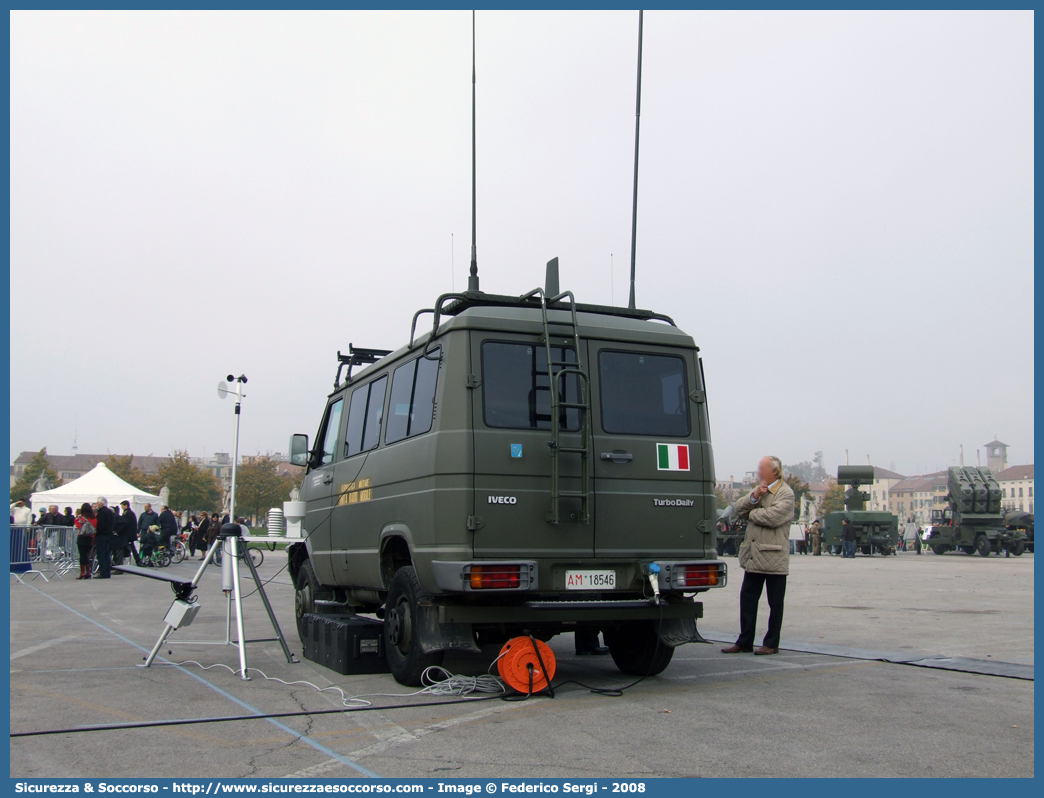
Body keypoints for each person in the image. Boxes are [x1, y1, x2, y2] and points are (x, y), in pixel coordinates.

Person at [721, 456, 796, 656]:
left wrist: (751, 514)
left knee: (775, 603)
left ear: (774, 472)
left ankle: (771, 643)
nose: (758, 472)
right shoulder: (760, 491)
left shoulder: (786, 493)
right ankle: (745, 641)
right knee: (747, 599)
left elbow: (772, 517)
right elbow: (738, 507)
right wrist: (753, 497)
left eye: (762, 469)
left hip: (774, 555)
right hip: (754, 555)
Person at [93, 497, 116, 578]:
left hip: (101, 535)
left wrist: (96, 531)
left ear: (101, 504)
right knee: (107, 554)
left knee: (101, 554)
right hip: (108, 535)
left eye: (97, 503)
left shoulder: (102, 512)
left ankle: (103, 572)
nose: (96, 505)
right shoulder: (109, 512)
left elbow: (100, 524)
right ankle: (107, 572)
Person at [74, 503, 97, 579]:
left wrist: (78, 518)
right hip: (90, 538)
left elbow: (79, 526)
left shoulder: (82, 518)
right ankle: (88, 571)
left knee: (82, 555)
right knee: (87, 554)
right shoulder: (94, 518)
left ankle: (83, 572)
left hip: (82, 537)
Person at [114, 500, 140, 566]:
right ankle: (138, 561)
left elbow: (125, 524)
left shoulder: (127, 513)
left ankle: (138, 561)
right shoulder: (131, 513)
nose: (122, 507)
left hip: (128, 535)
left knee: (129, 548)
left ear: (126, 505)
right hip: (131, 534)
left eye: (123, 505)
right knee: (132, 548)